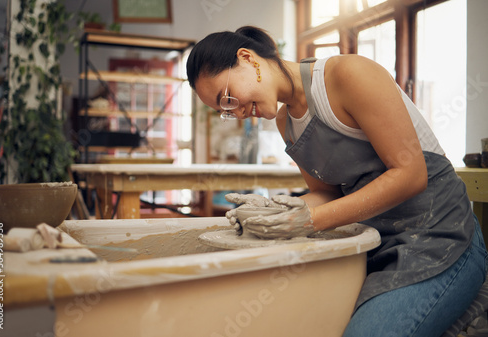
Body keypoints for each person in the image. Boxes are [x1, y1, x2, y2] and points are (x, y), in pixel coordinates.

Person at [186, 26, 488, 337]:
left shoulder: (347, 74)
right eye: (224, 110)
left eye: (227, 98)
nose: (234, 112)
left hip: (442, 239)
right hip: (376, 244)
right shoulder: (285, 122)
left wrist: (309, 220)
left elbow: (411, 174)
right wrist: (274, 210)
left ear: (247, 58)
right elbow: (325, 194)